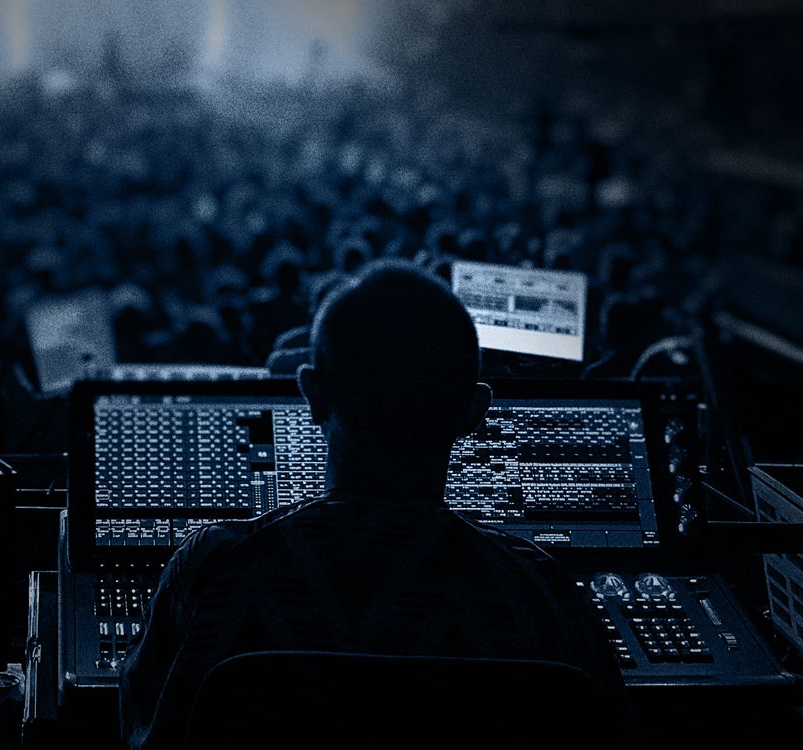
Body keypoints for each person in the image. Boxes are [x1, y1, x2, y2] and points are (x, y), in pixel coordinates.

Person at [118, 261, 620, 750]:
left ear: (313, 394)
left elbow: (144, 732)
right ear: (474, 410)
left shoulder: (212, 569)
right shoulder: (542, 594)